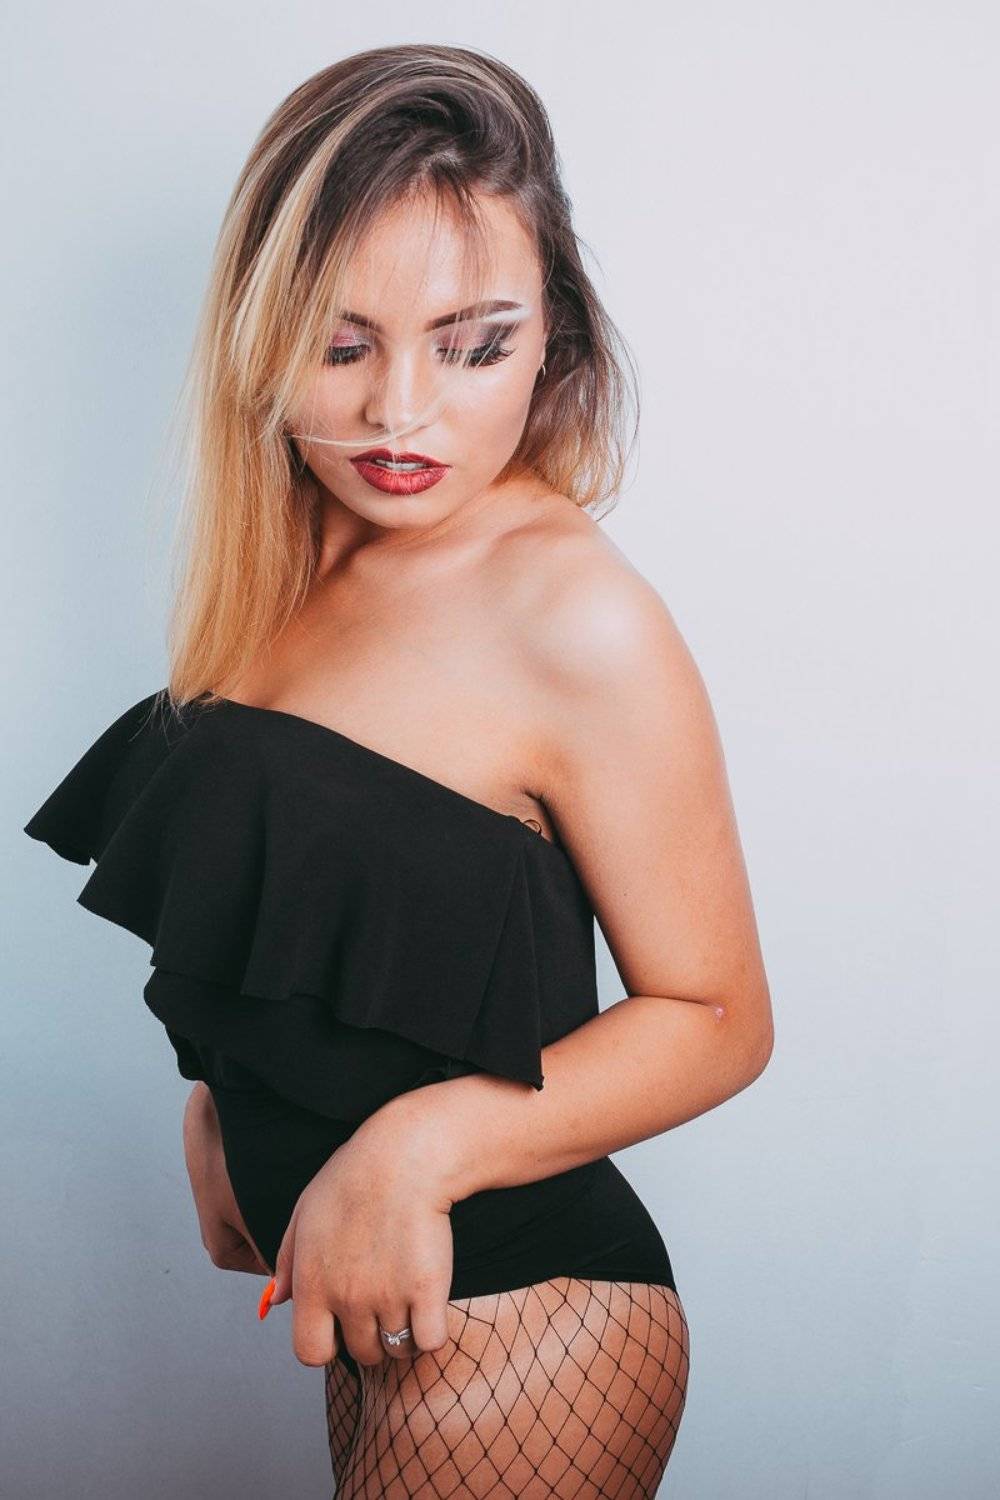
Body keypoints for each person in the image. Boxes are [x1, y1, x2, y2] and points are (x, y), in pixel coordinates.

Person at [23, 43, 773, 1497]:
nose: (399, 413)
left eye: (472, 344)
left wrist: (412, 1152)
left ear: (554, 338)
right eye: (342, 343)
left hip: (528, 1321)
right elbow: (297, 893)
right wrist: (217, 1096)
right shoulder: (286, 555)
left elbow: (718, 1017)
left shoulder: (573, 612)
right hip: (382, 1307)